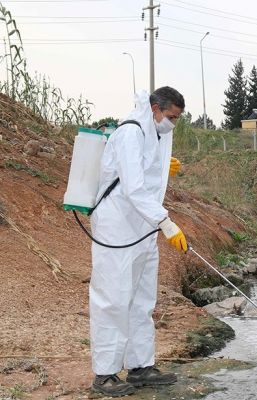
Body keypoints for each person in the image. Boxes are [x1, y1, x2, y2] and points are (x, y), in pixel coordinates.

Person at [89, 87, 187, 396]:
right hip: (117, 226)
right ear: (155, 109)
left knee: (142, 300)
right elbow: (132, 188)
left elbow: (146, 177)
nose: (173, 123)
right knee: (113, 299)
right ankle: (104, 374)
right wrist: (166, 223)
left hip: (142, 229)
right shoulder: (130, 132)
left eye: (178, 119)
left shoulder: (154, 133)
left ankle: (140, 366)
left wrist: (162, 163)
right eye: (171, 117)